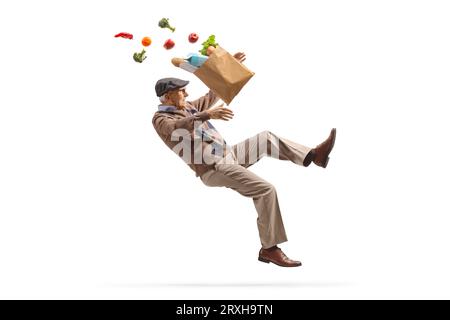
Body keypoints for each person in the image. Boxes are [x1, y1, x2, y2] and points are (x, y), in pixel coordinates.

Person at [152, 55, 336, 268]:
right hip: (213, 168)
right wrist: (206, 115)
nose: (186, 93)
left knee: (266, 138)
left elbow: (216, 91)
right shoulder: (161, 120)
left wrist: (231, 66)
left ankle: (313, 156)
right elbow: (176, 128)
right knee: (266, 190)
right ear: (167, 96)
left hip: (228, 155)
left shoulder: (190, 107)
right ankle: (269, 249)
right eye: (181, 91)